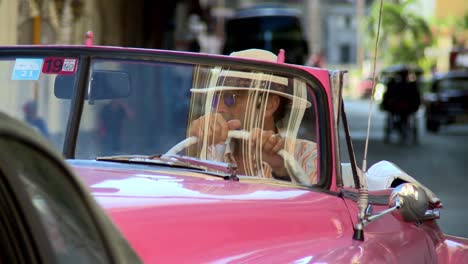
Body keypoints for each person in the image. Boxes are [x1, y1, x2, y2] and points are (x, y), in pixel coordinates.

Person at [188, 49, 318, 185]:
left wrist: (282, 171)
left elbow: (314, 204)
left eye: (230, 98)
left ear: (268, 105)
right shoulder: (208, 152)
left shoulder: (308, 155)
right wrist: (194, 142)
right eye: (215, 99)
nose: (218, 108)